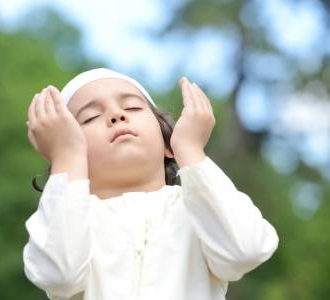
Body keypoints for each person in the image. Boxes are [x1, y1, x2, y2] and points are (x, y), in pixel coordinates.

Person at [23, 68, 279, 300]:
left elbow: (246, 250)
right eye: (90, 117)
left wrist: (189, 149)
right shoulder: (71, 222)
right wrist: (66, 160)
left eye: (133, 108)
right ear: (72, 152)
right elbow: (58, 275)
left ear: (168, 143)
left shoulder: (200, 209)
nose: (116, 115)